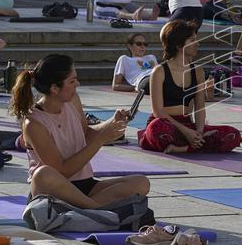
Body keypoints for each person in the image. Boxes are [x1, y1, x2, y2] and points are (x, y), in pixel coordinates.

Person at [13, 54, 149, 208]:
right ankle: (93, 207)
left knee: (141, 183)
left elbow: (85, 133)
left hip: (85, 184)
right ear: (54, 88)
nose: (77, 84)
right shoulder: (33, 123)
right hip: (54, 189)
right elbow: (62, 171)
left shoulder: (72, 100)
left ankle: (88, 207)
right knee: (43, 174)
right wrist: (101, 140)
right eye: (72, 81)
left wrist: (112, 123)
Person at [138, 20, 241, 154]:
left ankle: (185, 148)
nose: (197, 43)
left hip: (187, 124)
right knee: (156, 129)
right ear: (179, 44)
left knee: (233, 134)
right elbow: (158, 112)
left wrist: (198, 132)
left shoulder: (198, 71)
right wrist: (187, 132)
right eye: (192, 40)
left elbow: (199, 108)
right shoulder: (159, 71)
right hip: (166, 124)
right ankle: (193, 146)